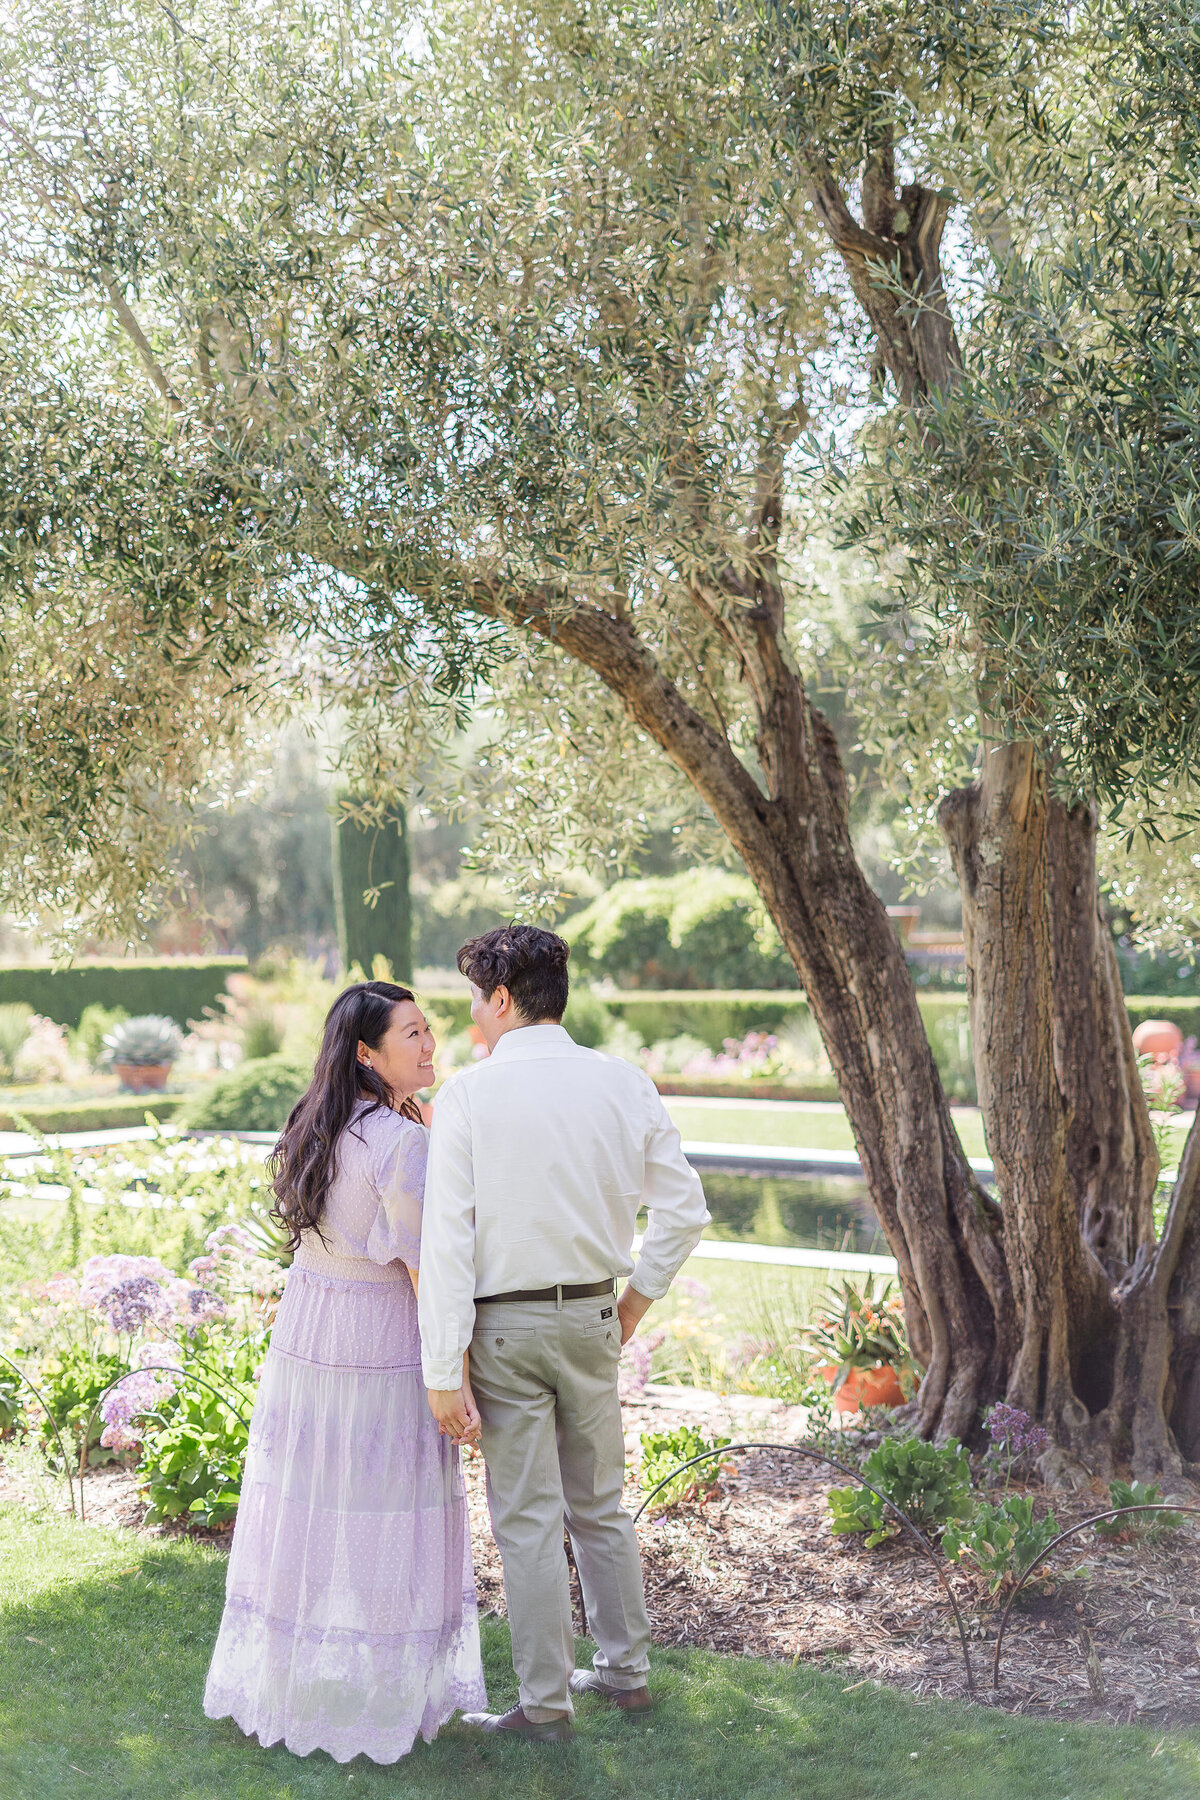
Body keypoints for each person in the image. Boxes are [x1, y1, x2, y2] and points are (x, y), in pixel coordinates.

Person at [418, 926, 711, 1743]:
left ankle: (545, 1706)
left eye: (476, 1002)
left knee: (528, 1519)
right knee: (601, 1506)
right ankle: (626, 1673)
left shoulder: (471, 1096)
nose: (471, 1021)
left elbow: (447, 1241)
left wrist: (443, 1370)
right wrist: (631, 1309)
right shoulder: (624, 1082)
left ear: (502, 998)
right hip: (592, 1317)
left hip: (505, 1331)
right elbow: (684, 1211)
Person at [203, 980, 487, 1763]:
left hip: (312, 1324)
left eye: (430, 1030)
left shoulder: (320, 1124)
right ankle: (382, 1693)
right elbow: (429, 1270)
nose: (430, 1045)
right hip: (375, 1335)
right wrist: (452, 1373)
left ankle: (303, 1678)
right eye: (413, 1034)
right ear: (367, 1053)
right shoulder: (402, 1143)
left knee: (318, 1497)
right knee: (385, 1502)